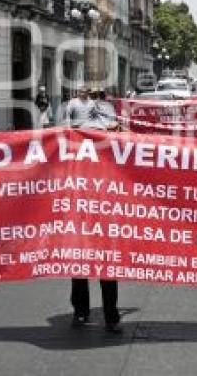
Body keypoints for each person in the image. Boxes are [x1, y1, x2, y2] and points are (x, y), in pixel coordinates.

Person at [70, 88, 121, 333]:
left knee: (98, 268)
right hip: (84, 215)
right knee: (86, 266)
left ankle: (97, 314)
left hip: (99, 217)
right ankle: (95, 313)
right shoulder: (105, 149)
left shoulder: (113, 149)